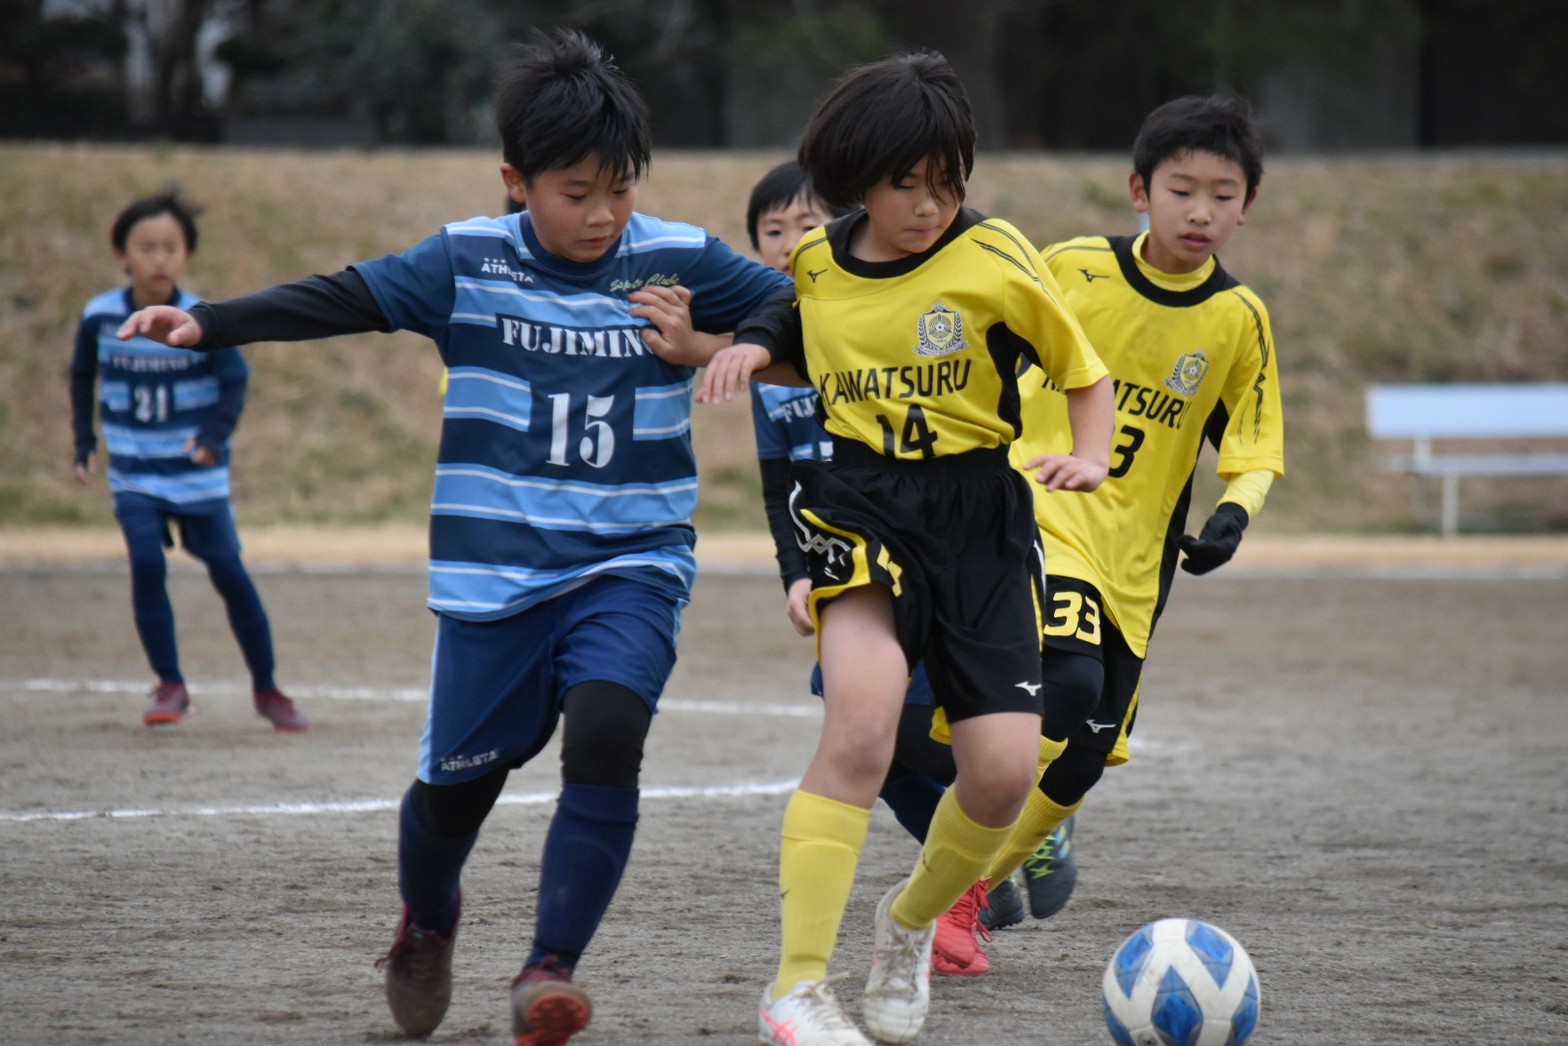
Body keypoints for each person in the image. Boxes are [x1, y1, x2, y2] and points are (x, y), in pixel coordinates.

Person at [116, 30, 792, 1046]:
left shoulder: (680, 258)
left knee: (610, 730)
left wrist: (727, 343)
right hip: (493, 582)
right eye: (575, 191)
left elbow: (798, 309)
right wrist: (208, 323)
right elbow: (344, 294)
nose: (602, 212)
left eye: (618, 187)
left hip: (630, 561)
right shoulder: (463, 258)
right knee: (450, 797)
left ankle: (546, 969)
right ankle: (428, 920)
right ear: (516, 181)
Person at [699, 51, 1115, 1045]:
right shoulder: (815, 258)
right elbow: (792, 310)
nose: (928, 204)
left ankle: (907, 923)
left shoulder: (994, 259)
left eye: (945, 182)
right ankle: (795, 986)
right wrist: (751, 346)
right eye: (904, 185)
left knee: (1003, 773)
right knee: (859, 724)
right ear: (855, 179)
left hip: (978, 520)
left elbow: (1081, 369)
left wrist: (1090, 455)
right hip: (859, 508)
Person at [975, 93, 1286, 941]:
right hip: (1043, 511)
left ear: (1247, 208)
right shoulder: (1072, 267)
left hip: (1138, 560)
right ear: (1139, 191)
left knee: (1087, 754)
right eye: (1183, 188)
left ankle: (973, 889)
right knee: (1066, 687)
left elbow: (1254, 447)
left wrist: (1235, 513)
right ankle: (949, 893)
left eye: (1224, 195)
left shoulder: (1236, 319)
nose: (1202, 210)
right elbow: (982, 338)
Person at [743, 160, 1030, 977]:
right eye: (774, 231)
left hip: (954, 534)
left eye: (806, 224)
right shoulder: (783, 340)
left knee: (979, 751)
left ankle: (969, 856)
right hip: (852, 537)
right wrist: (794, 571)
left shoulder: (925, 288)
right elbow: (778, 490)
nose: (794, 241)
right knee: (865, 723)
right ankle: (811, 975)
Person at [69, 187, 308, 734]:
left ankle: (268, 689)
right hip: (135, 473)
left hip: (197, 475)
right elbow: (82, 375)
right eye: (146, 246)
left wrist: (212, 438)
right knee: (147, 565)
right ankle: (171, 684)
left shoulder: (200, 320)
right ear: (121, 255)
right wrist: (84, 440)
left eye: (171, 247)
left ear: (187, 256)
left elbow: (235, 381)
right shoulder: (99, 319)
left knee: (230, 572)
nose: (159, 257)